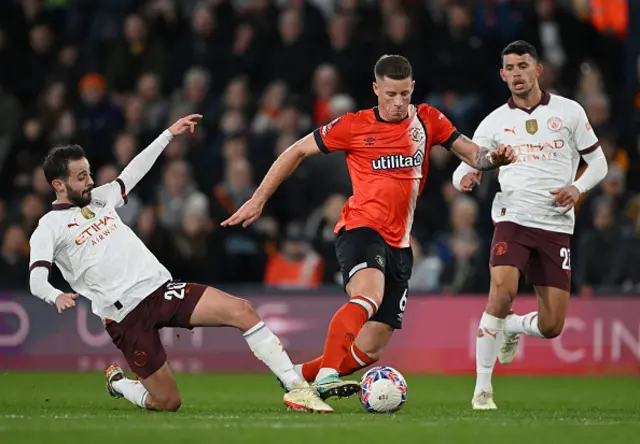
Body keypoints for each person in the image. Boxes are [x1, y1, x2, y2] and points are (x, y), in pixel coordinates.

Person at [222, 55, 516, 399]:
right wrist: (259, 199)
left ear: (413, 89)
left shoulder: (427, 119)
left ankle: (299, 376)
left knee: (370, 349)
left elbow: (471, 153)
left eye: (404, 94)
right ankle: (327, 378)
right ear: (376, 89)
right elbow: (296, 151)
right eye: (390, 94)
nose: (397, 102)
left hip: (400, 244)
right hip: (361, 229)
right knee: (367, 296)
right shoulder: (352, 125)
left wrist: (492, 159)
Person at [28, 114, 333, 414]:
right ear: (58, 184)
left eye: (89, 173)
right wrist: (55, 295)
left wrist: (168, 135)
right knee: (167, 402)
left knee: (242, 310)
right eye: (81, 177)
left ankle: (296, 387)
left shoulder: (100, 198)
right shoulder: (49, 227)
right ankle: (120, 384)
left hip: (161, 291)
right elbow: (36, 280)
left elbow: (133, 172)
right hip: (126, 317)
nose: (90, 181)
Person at [451, 41, 609, 410]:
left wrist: (577, 187)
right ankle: (483, 390)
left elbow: (599, 163)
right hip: (513, 218)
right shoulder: (493, 122)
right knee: (502, 292)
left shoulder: (569, 112)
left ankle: (513, 328)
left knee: (553, 326)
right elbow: (465, 167)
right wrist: (467, 178)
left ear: (538, 70)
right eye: (510, 67)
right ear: (502, 75)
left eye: (523, 65)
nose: (517, 73)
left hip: (556, 225)